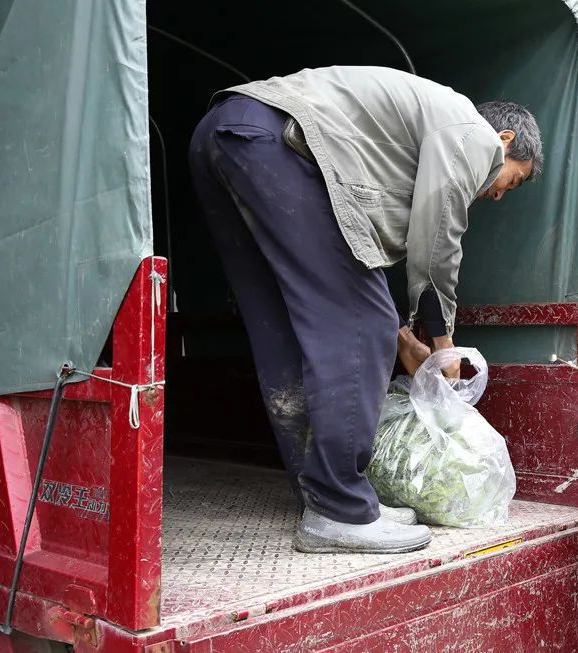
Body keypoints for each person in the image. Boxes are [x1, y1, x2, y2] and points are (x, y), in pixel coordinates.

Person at [188, 66, 542, 554]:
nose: (498, 193)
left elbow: (351, 262)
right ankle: (339, 508)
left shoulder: (387, 148)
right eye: (512, 180)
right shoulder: (473, 135)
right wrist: (444, 349)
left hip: (224, 135)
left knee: (286, 326)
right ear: (504, 140)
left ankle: (326, 496)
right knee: (367, 323)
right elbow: (437, 241)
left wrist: (405, 337)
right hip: (276, 141)